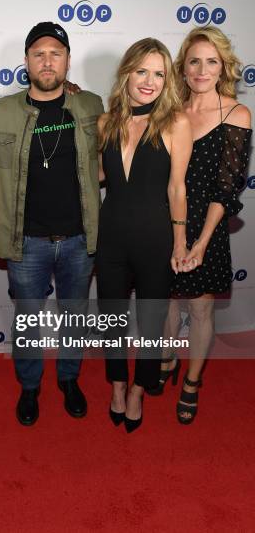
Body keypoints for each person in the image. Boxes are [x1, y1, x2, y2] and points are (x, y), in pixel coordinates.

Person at [0, 21, 104, 425]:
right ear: (26, 61)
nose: (47, 62)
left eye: (56, 53)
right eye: (39, 54)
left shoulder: (91, 106)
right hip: (25, 241)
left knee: (75, 316)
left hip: (79, 239)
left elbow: (114, 159)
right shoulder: (0, 112)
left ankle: (68, 379)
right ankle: (30, 387)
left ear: (68, 61)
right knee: (28, 320)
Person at [150, 26, 252, 424]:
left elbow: (227, 189)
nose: (202, 69)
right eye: (194, 61)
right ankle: (168, 353)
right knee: (168, 301)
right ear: (183, 67)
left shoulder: (236, 113)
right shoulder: (169, 111)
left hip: (207, 227)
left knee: (201, 306)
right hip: (165, 222)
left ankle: (192, 381)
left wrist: (202, 242)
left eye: (211, 61)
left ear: (222, 66)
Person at [96, 38, 192, 432]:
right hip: (111, 235)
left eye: (159, 73)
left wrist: (181, 241)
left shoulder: (175, 122)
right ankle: (118, 385)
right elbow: (101, 177)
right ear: (127, 72)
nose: (149, 81)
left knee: (151, 322)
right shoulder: (107, 121)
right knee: (112, 319)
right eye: (142, 71)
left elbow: (177, 188)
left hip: (156, 238)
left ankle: (139, 389)